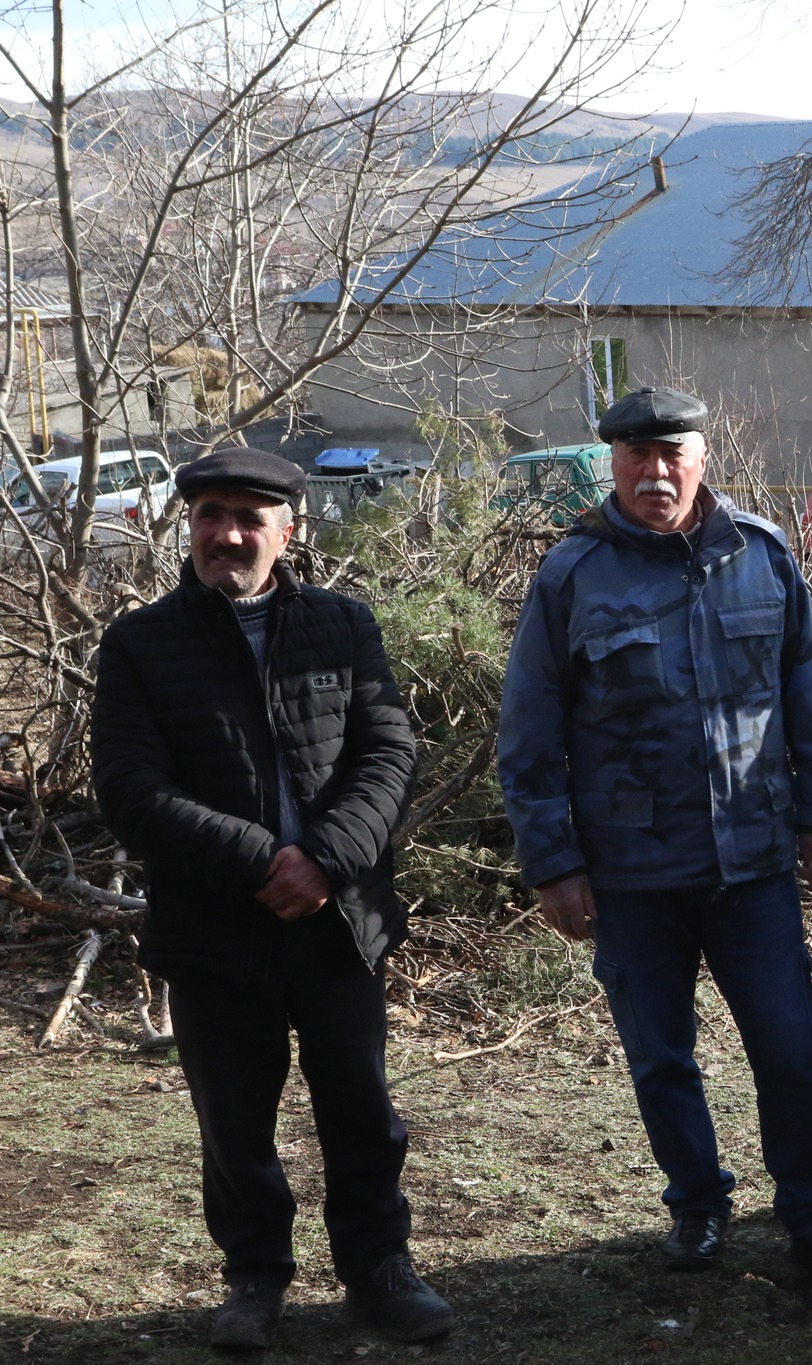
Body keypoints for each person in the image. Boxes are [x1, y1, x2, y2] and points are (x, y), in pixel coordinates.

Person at [497, 386, 812, 1295]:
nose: (656, 472)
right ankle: (697, 1201)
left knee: (790, 1046)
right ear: (613, 463)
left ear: (703, 460)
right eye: (638, 455)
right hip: (630, 871)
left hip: (752, 865)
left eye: (673, 454)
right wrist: (553, 862)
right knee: (661, 1055)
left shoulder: (762, 556)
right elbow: (531, 730)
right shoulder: (573, 574)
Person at [91, 447, 447, 1349]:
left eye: (249, 518)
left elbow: (388, 755)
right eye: (210, 515)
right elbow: (132, 789)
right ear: (190, 526)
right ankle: (253, 1277)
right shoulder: (140, 644)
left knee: (361, 1107)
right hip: (214, 926)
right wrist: (262, 862)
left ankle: (380, 1266)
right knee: (234, 1119)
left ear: (290, 529)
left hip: (339, 923)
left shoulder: (342, 624)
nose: (228, 534)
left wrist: (322, 859)